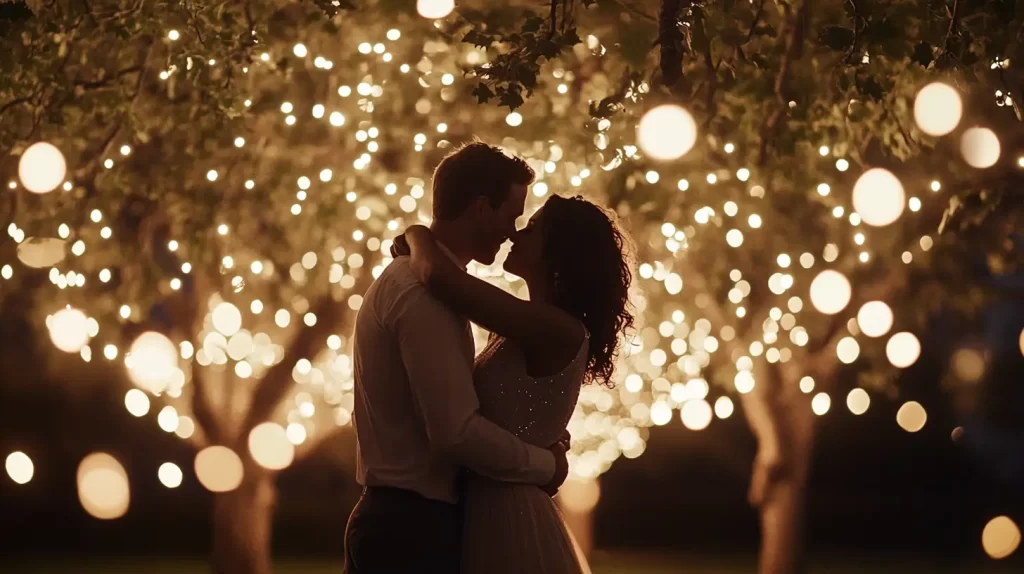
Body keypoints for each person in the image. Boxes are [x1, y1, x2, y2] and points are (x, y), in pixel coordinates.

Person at [344, 142, 572, 573]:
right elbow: (455, 432)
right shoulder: (423, 296)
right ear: (481, 208)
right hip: (411, 531)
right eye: (511, 214)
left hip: (403, 521)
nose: (511, 231)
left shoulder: (427, 282)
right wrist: (547, 464)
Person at [395, 192, 635, 573]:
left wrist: (416, 233)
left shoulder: (556, 328)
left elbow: (440, 276)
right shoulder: (515, 329)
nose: (515, 235)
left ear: (559, 254)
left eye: (533, 228)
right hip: (483, 504)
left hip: (508, 515)